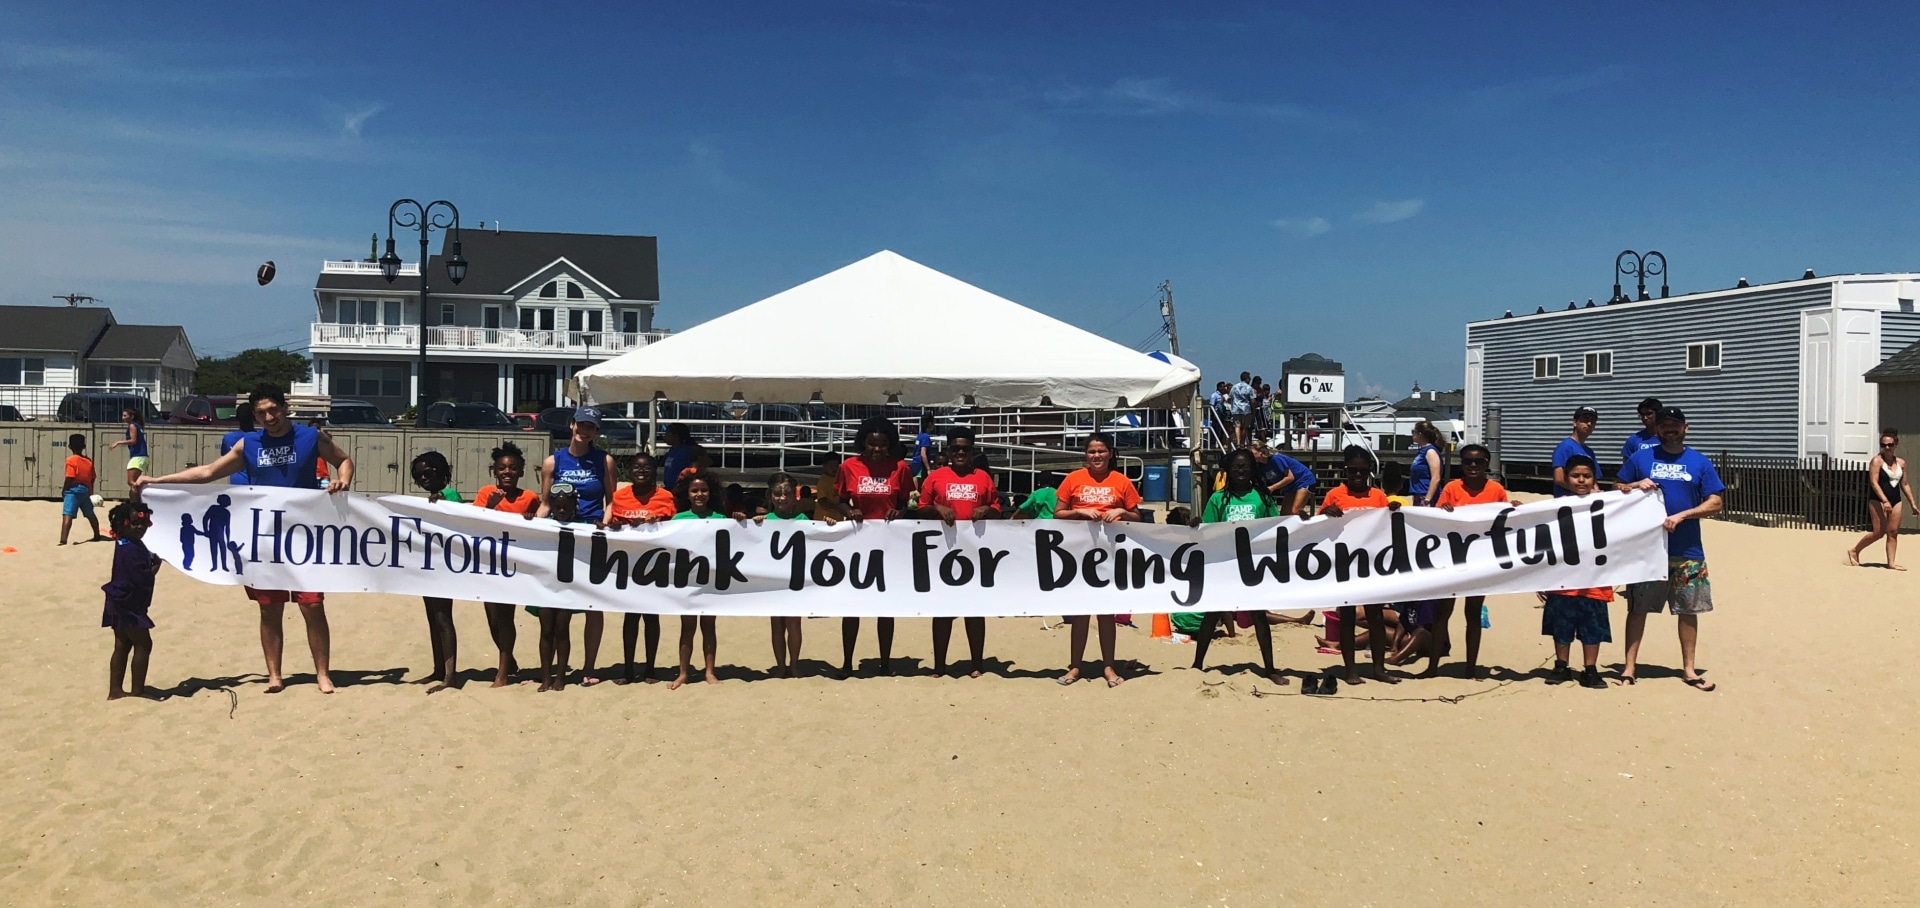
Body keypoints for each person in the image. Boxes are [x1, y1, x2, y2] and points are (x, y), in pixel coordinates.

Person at [134, 383, 352, 694]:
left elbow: (343, 460)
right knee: (269, 607)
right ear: (255, 415)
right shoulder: (247, 444)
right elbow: (208, 473)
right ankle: (274, 675)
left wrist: (342, 481)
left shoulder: (310, 436)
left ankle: (322, 674)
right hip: (262, 536)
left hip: (304, 534)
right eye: (262, 413)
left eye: (273, 410)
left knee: (312, 605)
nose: (269, 417)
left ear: (285, 407)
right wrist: (157, 480)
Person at [1614, 406, 1726, 691]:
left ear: (1685, 427)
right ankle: (1629, 668)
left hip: (1687, 551)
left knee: (1688, 610)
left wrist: (1683, 515)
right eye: (1664, 425)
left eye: (1675, 425)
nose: (1669, 430)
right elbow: (1617, 488)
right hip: (1648, 551)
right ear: (1657, 429)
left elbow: (1716, 502)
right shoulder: (1640, 458)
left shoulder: (1699, 462)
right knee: (1638, 607)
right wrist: (1635, 484)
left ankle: (1689, 670)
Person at [1189, 448, 1288, 685]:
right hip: (1225, 564)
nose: (1241, 471)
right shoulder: (1217, 499)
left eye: (1245, 466)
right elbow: (1209, 531)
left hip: (1252, 566)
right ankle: (1197, 664)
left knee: (1259, 616)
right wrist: (1196, 525)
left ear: (1253, 469)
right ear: (1228, 471)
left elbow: (1277, 527)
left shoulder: (1263, 497)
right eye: (1236, 467)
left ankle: (1270, 668)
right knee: (1212, 614)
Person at [1053, 432, 1141, 687]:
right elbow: (1058, 513)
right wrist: (1079, 511)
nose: (1097, 456)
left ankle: (1109, 667)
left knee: (1106, 612)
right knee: (1080, 612)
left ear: (1110, 453)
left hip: (1111, 555)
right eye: (1092, 452)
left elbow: (1138, 518)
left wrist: (1122, 510)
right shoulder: (1073, 479)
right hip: (1078, 553)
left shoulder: (1122, 481)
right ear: (1085, 455)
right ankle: (1075, 667)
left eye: (1101, 451)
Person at [540, 407, 617, 685]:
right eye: (581, 425)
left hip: (591, 536)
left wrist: (605, 523)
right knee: (555, 605)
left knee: (593, 604)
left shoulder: (604, 461)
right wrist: (532, 529)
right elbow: (545, 503)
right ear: (572, 425)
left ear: (596, 432)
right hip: (559, 536)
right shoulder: (553, 462)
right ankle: (551, 669)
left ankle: (589, 667)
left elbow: (611, 501)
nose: (585, 431)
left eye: (591, 427)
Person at [918, 428, 1001, 678]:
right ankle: (940, 666)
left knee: (974, 610)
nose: (960, 452)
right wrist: (937, 507)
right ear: (948, 451)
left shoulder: (983, 478)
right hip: (943, 552)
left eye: (965, 448)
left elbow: (999, 511)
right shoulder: (935, 477)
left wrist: (986, 508)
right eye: (956, 448)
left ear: (973, 451)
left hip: (975, 552)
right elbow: (920, 510)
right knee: (943, 611)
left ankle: (977, 663)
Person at [838, 417, 913, 676]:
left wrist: (898, 512)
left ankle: (885, 663)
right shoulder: (849, 466)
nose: (877, 449)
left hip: (889, 544)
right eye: (871, 444)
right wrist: (850, 511)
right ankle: (847, 663)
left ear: (890, 445)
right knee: (852, 605)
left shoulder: (900, 468)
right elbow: (840, 500)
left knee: (885, 605)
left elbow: (905, 503)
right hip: (856, 543)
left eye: (882, 445)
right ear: (863, 443)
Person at [1317, 445, 1398, 685]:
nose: (1358, 476)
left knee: (1375, 617)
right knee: (1348, 616)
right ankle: (1350, 669)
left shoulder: (1378, 497)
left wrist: (1394, 512)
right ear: (1346, 471)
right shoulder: (1334, 495)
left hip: (1372, 564)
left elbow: (1389, 528)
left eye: (1363, 471)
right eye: (1353, 471)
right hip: (1345, 564)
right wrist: (1325, 514)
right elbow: (1316, 529)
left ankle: (1378, 668)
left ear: (1370, 472)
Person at [1429, 442, 1506, 679]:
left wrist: (1514, 508)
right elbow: (1437, 520)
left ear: (1487, 464)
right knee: (1443, 614)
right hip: (1453, 559)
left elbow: (1507, 521)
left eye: (1479, 462)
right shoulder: (1452, 488)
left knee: (1473, 614)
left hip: (1480, 561)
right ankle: (1432, 666)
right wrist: (1445, 509)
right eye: (1468, 461)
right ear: (1461, 464)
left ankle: (1471, 667)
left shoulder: (1496, 490)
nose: (1473, 466)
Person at [1540, 455, 1611, 689]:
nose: (1581, 480)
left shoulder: (1609, 505)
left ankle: (1590, 669)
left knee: (1592, 627)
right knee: (1561, 625)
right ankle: (1562, 666)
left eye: (1587, 476)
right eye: (1575, 476)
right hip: (1563, 580)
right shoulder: (1554, 507)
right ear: (1566, 479)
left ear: (1594, 478)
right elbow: (1541, 542)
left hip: (1595, 580)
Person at [473, 442, 540, 687]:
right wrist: (490, 505)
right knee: (492, 620)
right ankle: (509, 659)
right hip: (489, 563)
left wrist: (533, 519)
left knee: (505, 617)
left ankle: (502, 674)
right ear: (495, 472)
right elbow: (472, 523)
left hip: (514, 566)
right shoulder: (485, 493)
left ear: (521, 471)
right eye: (502, 468)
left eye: (513, 468)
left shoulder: (529, 497)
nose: (507, 472)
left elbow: (542, 524)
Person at [606, 450, 676, 683]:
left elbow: (676, 529)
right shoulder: (620, 497)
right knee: (630, 617)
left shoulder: (666, 497)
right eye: (637, 467)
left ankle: (650, 669)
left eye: (647, 467)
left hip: (656, 564)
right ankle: (627, 669)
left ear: (654, 471)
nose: (641, 471)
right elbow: (614, 525)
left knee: (651, 617)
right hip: (628, 564)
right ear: (630, 471)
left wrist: (655, 524)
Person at [408, 452, 464, 693]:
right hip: (428, 565)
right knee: (433, 618)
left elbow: (454, 502)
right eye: (420, 475)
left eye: (429, 472)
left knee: (443, 618)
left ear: (441, 471)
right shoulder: (429, 500)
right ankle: (439, 669)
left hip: (444, 566)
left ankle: (450, 675)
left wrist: (442, 497)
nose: (425, 478)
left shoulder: (448, 495)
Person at [668, 471, 726, 689]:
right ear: (688, 494)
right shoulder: (678, 519)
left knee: (709, 627)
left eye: (703, 490)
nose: (699, 494)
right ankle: (683, 672)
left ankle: (709, 671)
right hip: (687, 580)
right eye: (694, 490)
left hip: (710, 581)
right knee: (687, 628)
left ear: (710, 493)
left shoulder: (721, 519)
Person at [102, 502, 161, 700]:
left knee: (123, 644)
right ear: (124, 524)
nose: (140, 527)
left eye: (144, 523)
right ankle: (138, 690)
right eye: (135, 523)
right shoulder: (131, 549)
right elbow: (142, 578)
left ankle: (115, 690)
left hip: (117, 599)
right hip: (128, 603)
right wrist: (155, 567)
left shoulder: (126, 542)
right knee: (144, 644)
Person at [758, 472, 807, 677]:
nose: (782, 498)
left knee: (793, 623)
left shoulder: (803, 519)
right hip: (773, 580)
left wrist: (828, 524)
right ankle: (780, 665)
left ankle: (794, 664)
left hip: (795, 579)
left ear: (794, 495)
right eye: (777, 494)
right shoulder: (763, 520)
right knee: (776, 624)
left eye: (786, 493)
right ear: (771, 496)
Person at [534, 484, 582, 691]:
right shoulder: (540, 526)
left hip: (567, 587)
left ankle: (560, 676)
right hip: (545, 586)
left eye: (566, 506)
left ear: (574, 506)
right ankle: (546, 676)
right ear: (551, 506)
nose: (562, 510)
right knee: (546, 630)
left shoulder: (583, 527)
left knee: (562, 629)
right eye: (558, 506)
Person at [1849, 428, 1915, 569]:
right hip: (1878, 500)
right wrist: (1884, 500)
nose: (1887, 448)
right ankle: (1854, 551)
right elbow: (1874, 483)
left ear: (1896, 445)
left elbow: (1905, 484)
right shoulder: (1877, 461)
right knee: (1878, 532)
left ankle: (1891, 563)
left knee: (1893, 532)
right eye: (1883, 445)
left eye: (1890, 445)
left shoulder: (1901, 463)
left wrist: (1913, 504)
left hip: (1896, 500)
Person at [59, 433, 105, 545]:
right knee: (90, 514)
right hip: (85, 490)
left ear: (69, 446)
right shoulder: (88, 461)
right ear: (84, 446)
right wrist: (90, 490)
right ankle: (97, 535)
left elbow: (70, 477)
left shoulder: (70, 460)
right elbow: (93, 477)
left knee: (68, 514)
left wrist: (64, 490)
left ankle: (63, 540)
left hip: (73, 490)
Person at [1250, 440, 1316, 516]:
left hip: (1303, 480)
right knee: (1284, 514)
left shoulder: (1276, 459)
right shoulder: (1261, 466)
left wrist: (1272, 488)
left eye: (1252, 453)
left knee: (1295, 511)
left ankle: (1307, 523)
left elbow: (1290, 477)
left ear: (1260, 452)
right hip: (1290, 487)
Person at [1553, 407, 1599, 497]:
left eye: (1593, 422)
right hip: (1568, 501)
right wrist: (1583, 491)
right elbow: (1559, 478)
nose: (1589, 424)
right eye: (1585, 420)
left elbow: (1594, 481)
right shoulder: (1565, 447)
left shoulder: (1589, 451)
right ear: (1574, 422)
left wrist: (1597, 493)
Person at [109, 407, 150, 503]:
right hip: (142, 456)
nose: (123, 418)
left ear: (132, 416)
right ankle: (134, 503)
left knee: (131, 481)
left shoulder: (132, 426)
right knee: (134, 483)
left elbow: (133, 440)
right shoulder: (137, 425)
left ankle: (145, 495)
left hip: (138, 456)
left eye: (125, 415)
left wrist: (118, 442)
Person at [659, 423, 710, 491]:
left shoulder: (689, 450)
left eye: (667, 433)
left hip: (682, 489)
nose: (664, 436)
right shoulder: (672, 450)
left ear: (676, 436)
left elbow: (707, 462)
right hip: (670, 488)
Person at [1406, 421, 1444, 507]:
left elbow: (1436, 477)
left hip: (1426, 495)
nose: (1412, 434)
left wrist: (1427, 499)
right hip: (1418, 495)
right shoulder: (1421, 451)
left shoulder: (1430, 451)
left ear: (1420, 434)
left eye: (1413, 432)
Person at [1620, 397, 1662, 463]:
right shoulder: (1633, 440)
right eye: (1642, 415)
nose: (1645, 418)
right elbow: (1626, 467)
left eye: (1649, 414)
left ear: (1658, 414)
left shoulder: (1668, 438)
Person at [219, 405, 254, 485]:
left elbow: (225, 459)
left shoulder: (228, 438)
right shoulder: (259, 438)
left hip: (236, 483)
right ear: (254, 417)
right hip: (255, 484)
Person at [1229, 372, 1255, 447]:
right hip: (1245, 410)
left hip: (1236, 409)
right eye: (1249, 378)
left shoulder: (1234, 387)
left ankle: (1237, 442)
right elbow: (1252, 401)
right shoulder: (1249, 388)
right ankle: (1242, 443)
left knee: (1237, 426)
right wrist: (1253, 409)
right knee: (1244, 427)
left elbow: (1230, 397)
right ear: (1246, 378)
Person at [910, 413, 936, 482]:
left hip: (915, 463)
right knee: (919, 486)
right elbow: (923, 453)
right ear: (930, 424)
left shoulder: (920, 435)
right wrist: (928, 468)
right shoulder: (926, 437)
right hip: (921, 465)